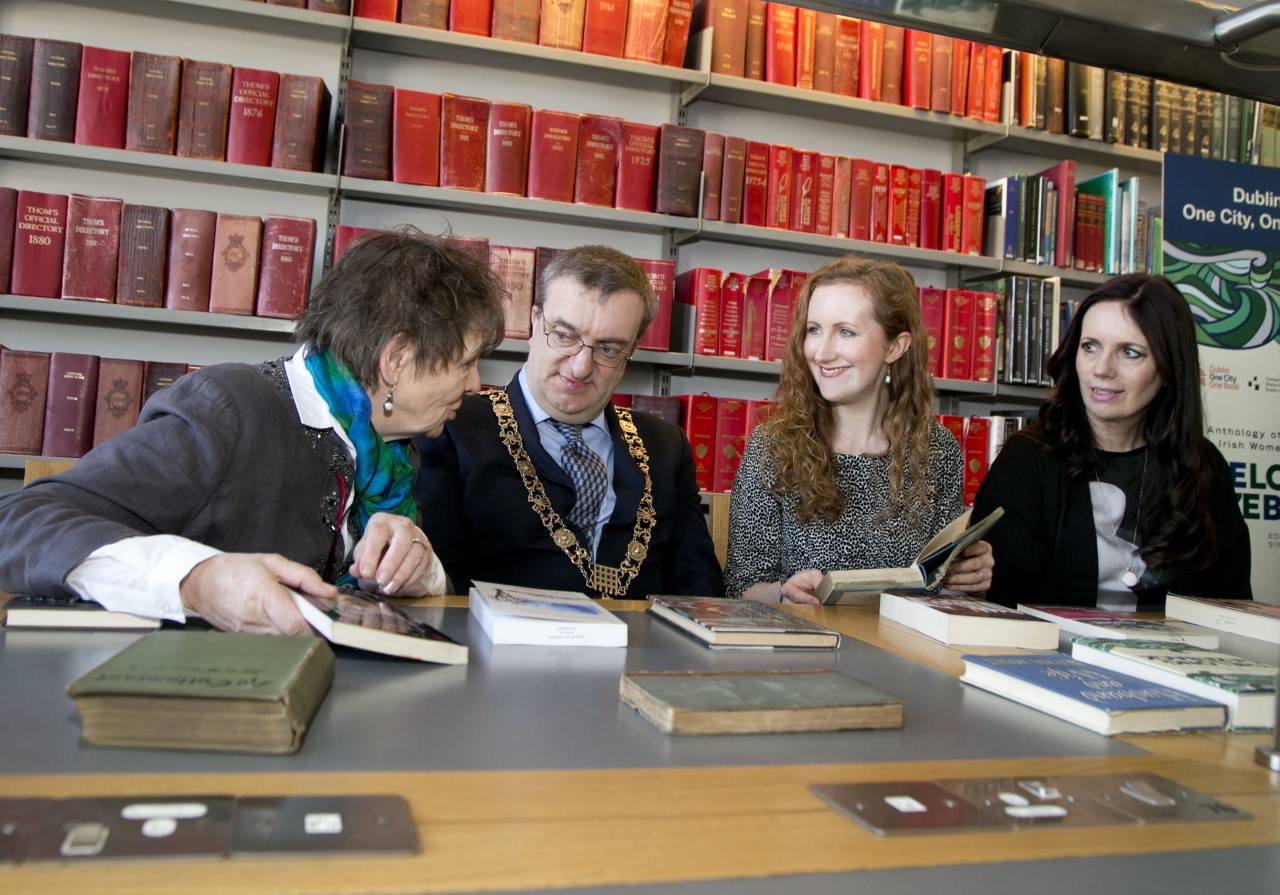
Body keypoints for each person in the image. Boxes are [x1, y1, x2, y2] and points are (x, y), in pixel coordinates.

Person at [0, 227, 506, 634]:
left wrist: (421, 569)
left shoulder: (390, 454)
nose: (474, 385)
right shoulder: (231, 407)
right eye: (464, 363)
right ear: (396, 360)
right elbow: (20, 520)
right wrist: (196, 579)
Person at [415, 244, 723, 599]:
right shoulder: (453, 426)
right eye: (563, 335)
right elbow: (437, 584)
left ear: (632, 349)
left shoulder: (665, 445)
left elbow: (700, 589)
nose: (580, 367)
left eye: (608, 348)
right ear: (534, 321)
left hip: (643, 650)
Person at [972, 273, 1251, 611]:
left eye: (1130, 352)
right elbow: (997, 606)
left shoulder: (1203, 466)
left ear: (1168, 369)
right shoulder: (1027, 461)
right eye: (1090, 346)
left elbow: (1231, 606)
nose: (1102, 369)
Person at [725, 255, 993, 604]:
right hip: (805, 648)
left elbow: (942, 586)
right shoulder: (773, 445)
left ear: (895, 347)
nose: (821, 353)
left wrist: (968, 577)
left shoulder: (936, 449)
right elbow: (739, 588)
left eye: (845, 332)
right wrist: (781, 594)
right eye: (814, 330)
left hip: (903, 651)